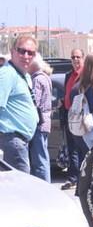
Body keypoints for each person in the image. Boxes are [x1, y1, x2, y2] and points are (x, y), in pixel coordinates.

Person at [0, 34, 39, 172]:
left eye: (31, 53)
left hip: (20, 142)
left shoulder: (23, 75)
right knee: (20, 190)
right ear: (12, 52)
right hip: (11, 141)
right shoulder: (7, 74)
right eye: (22, 51)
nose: (26, 56)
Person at [28, 54, 53, 182]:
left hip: (39, 123)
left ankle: (45, 188)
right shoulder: (45, 77)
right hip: (45, 122)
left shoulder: (37, 79)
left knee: (39, 160)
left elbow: (34, 102)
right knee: (42, 158)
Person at [60, 48, 84, 188]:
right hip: (69, 116)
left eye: (78, 57)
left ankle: (81, 177)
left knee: (81, 148)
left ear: (83, 58)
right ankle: (73, 177)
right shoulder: (68, 75)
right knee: (72, 149)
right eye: (73, 57)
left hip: (80, 117)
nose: (75, 60)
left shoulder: (86, 75)